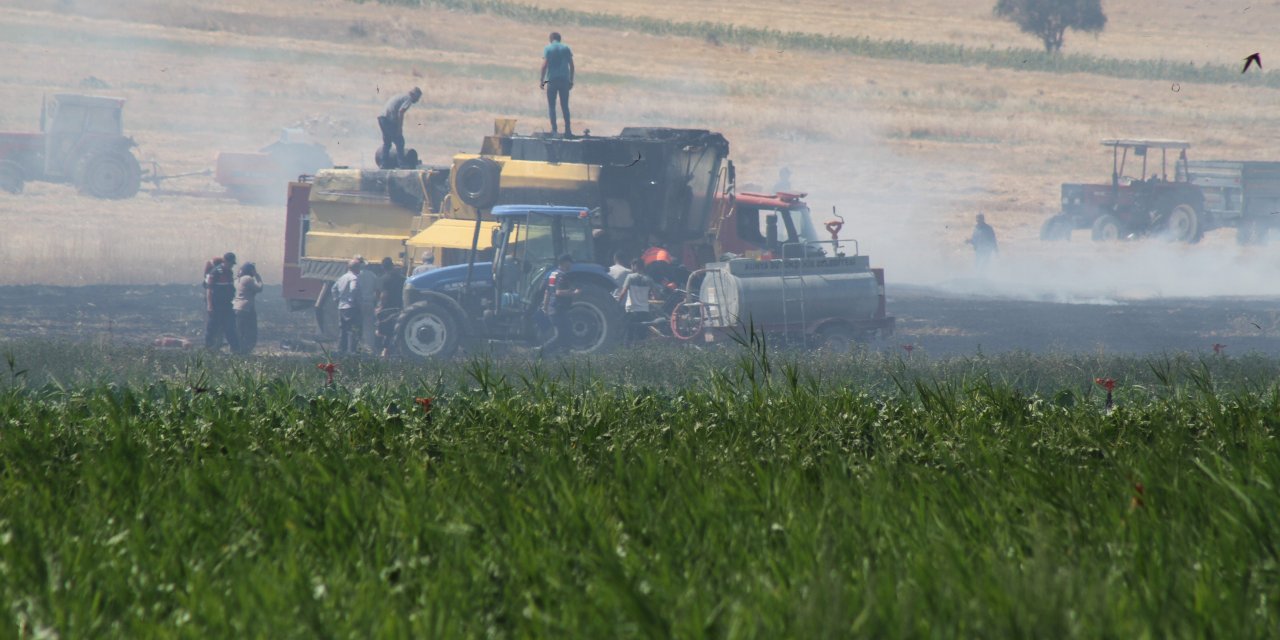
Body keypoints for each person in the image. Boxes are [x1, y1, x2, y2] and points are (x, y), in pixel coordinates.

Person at [540, 254, 580, 356]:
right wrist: (574, 292)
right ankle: (541, 352)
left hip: (553, 308)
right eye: (570, 262)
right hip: (559, 309)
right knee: (561, 335)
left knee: (567, 332)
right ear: (565, 262)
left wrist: (545, 307)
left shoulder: (553, 274)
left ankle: (562, 354)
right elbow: (559, 292)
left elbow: (547, 292)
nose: (571, 264)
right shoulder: (562, 276)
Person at [539, 32, 575, 135]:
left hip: (551, 80)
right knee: (565, 105)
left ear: (551, 39)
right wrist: (571, 80)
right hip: (564, 80)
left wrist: (542, 81)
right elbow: (572, 66)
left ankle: (554, 130)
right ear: (560, 39)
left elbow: (544, 66)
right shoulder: (566, 48)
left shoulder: (548, 48)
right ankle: (568, 129)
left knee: (552, 106)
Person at [204, 252, 240, 352]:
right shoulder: (215, 272)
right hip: (216, 305)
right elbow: (209, 290)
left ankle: (236, 349)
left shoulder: (229, 272)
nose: (231, 265)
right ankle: (208, 348)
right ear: (225, 261)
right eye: (230, 263)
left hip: (227, 305)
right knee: (212, 327)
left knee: (230, 327)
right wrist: (210, 305)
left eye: (233, 264)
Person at [378, 87, 422, 169]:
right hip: (388, 120)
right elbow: (401, 111)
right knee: (400, 142)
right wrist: (399, 128)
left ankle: (384, 164)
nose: (418, 100)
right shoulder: (408, 99)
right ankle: (402, 164)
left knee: (387, 142)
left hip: (382, 118)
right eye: (418, 97)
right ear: (414, 95)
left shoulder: (401, 95)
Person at [617, 258, 656, 345]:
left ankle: (628, 352)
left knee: (629, 333)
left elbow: (623, 292)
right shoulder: (648, 279)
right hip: (644, 309)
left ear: (635, 266)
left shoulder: (630, 277)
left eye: (632, 265)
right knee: (642, 334)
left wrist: (617, 303)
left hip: (631, 309)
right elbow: (655, 295)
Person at [374, 257, 406, 357]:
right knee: (396, 329)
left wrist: (380, 307)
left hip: (387, 308)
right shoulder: (402, 279)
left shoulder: (384, 279)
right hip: (400, 306)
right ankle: (393, 350)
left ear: (383, 267)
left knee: (384, 330)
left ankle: (382, 351)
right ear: (392, 265)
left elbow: (384, 295)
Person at [333, 259, 363, 354]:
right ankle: (352, 350)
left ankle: (341, 350)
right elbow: (353, 289)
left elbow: (333, 289)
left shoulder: (342, 277)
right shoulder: (354, 278)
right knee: (354, 329)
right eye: (359, 267)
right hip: (351, 307)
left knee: (343, 330)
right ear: (356, 268)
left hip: (341, 307)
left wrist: (337, 300)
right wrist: (353, 300)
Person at [233, 262, 264, 354]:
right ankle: (245, 351)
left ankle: (238, 350)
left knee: (240, 331)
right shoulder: (247, 279)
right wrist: (258, 277)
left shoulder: (236, 280)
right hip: (246, 308)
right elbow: (259, 288)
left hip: (236, 307)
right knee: (250, 331)